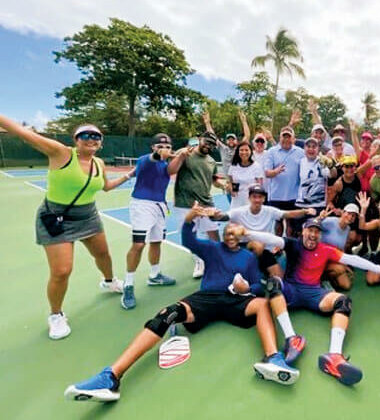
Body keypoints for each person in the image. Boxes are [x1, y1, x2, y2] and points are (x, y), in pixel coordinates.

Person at [64, 204, 301, 402]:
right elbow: (188, 238)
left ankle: (272, 359)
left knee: (261, 303)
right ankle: (111, 377)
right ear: (223, 234)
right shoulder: (211, 248)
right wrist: (189, 219)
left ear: (242, 237)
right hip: (205, 299)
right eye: (227, 233)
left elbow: (258, 286)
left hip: (235, 301)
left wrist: (247, 288)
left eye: (236, 234)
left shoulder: (249, 257)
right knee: (168, 313)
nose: (231, 236)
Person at [0, 116, 133, 339]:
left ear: (101, 142)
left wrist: (130, 174)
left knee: (103, 255)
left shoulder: (98, 164)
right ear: (76, 140)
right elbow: (24, 134)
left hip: (88, 216)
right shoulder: (61, 153)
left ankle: (109, 282)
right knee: (61, 271)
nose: (91, 139)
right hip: (56, 217)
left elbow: (107, 187)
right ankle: (56, 314)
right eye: (86, 135)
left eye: (96, 136)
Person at [239, 219, 380, 385]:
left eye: (317, 232)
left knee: (343, 301)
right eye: (310, 230)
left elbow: (352, 259)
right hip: (291, 292)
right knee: (274, 283)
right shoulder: (293, 244)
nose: (313, 235)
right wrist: (247, 233)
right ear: (303, 231)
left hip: (315, 294)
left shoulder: (326, 250)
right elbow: (271, 239)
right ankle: (291, 338)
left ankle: (334, 356)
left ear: (320, 235)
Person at [121, 133, 188, 310]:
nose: (164, 148)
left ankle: (155, 275)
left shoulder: (166, 164)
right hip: (142, 205)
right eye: (160, 146)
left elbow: (172, 170)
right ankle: (128, 285)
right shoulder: (145, 159)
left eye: (167, 146)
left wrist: (181, 155)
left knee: (157, 241)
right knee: (138, 245)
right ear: (153, 147)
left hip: (160, 205)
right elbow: (154, 158)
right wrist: (166, 154)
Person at [224, 184, 316, 277]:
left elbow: (288, 214)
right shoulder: (239, 212)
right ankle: (251, 273)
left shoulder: (269, 210)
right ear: (249, 198)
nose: (257, 200)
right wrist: (214, 215)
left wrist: (305, 211)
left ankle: (264, 275)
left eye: (260, 197)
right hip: (245, 247)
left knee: (279, 276)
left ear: (264, 199)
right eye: (254, 197)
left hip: (265, 248)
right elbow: (224, 216)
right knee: (257, 245)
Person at [174, 131, 226, 279]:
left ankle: (217, 261)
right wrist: (179, 156)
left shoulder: (211, 162)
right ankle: (199, 261)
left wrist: (223, 186)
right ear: (199, 140)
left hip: (206, 203)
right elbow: (171, 169)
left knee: (214, 233)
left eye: (211, 144)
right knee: (190, 235)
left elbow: (214, 180)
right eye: (206, 142)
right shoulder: (186, 153)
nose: (208, 145)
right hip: (185, 204)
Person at [264, 126, 305, 236]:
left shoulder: (301, 152)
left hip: (293, 195)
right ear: (279, 137)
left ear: (293, 139)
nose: (286, 139)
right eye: (284, 136)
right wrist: (276, 171)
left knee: (290, 223)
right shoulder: (271, 152)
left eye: (289, 137)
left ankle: (288, 247)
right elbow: (267, 173)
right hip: (276, 195)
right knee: (278, 222)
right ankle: (278, 246)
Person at [295, 137, 336, 231]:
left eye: (314, 147)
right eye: (308, 146)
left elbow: (333, 175)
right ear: (304, 148)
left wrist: (330, 166)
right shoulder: (300, 162)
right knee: (299, 232)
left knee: (315, 232)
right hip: (301, 205)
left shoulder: (322, 161)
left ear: (318, 149)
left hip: (318, 205)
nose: (311, 149)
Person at [317, 204, 361, 290]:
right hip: (319, 257)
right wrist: (320, 218)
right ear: (343, 213)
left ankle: (327, 279)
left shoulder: (347, 229)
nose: (350, 217)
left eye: (353, 215)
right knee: (340, 269)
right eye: (348, 213)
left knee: (346, 285)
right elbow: (311, 225)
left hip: (331, 259)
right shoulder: (330, 221)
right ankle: (321, 280)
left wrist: (345, 264)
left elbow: (341, 250)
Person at [227, 141, 264, 209]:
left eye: (246, 150)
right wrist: (231, 188)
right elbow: (230, 182)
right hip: (236, 202)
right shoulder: (233, 166)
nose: (244, 152)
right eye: (241, 150)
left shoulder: (256, 166)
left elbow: (260, 186)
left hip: (251, 203)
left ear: (251, 151)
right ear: (238, 152)